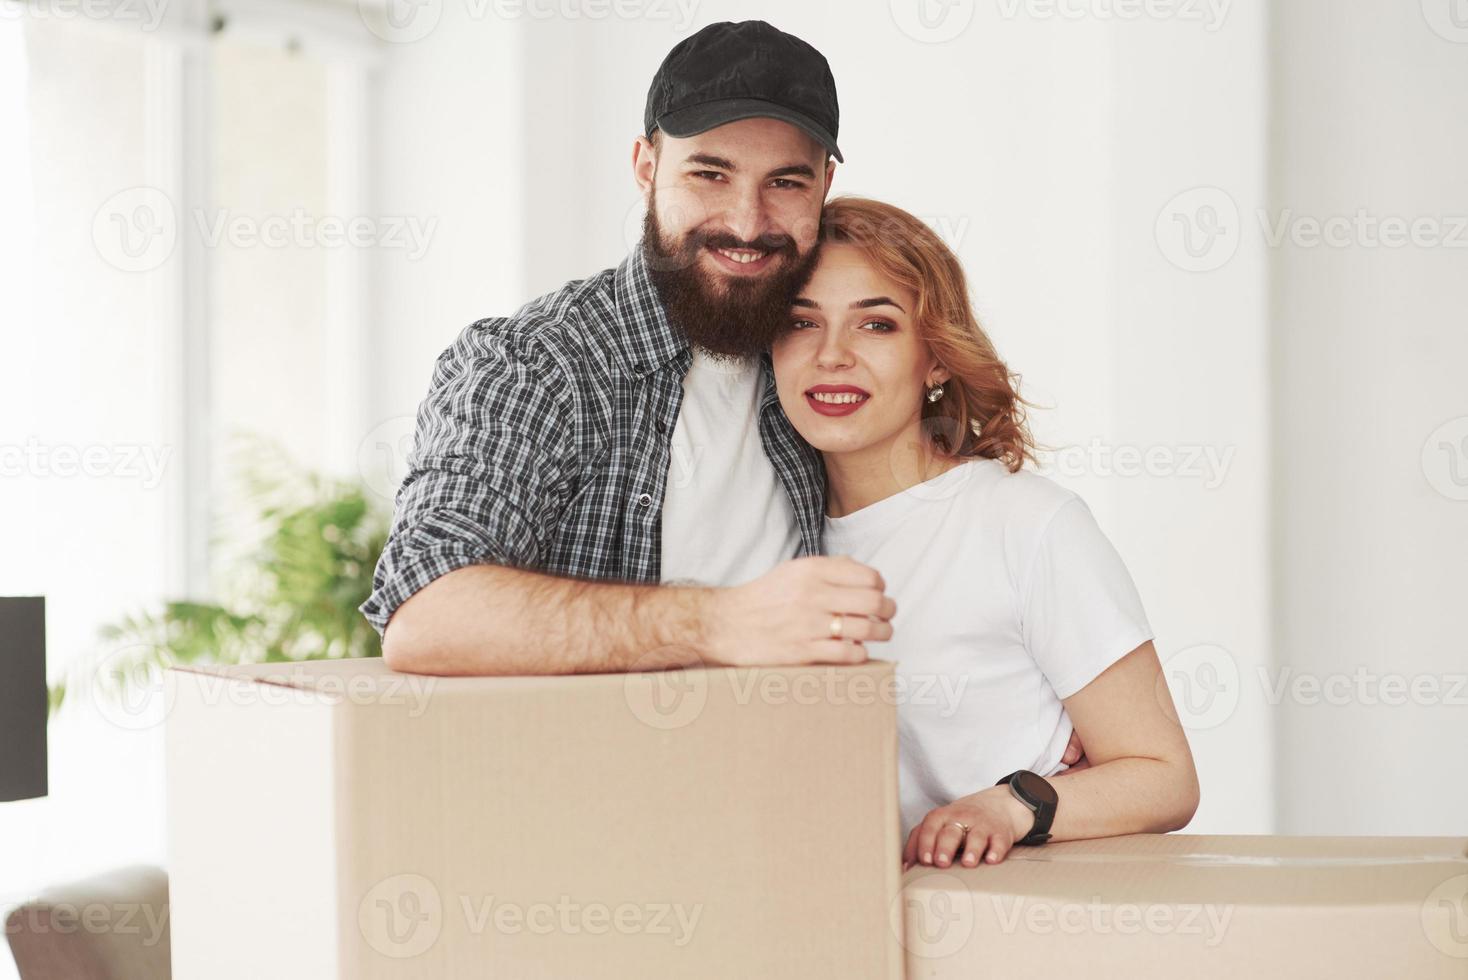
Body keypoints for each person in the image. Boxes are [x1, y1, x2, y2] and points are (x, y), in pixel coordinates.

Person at [768, 197, 1199, 868]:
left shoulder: (1023, 523)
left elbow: (1164, 774)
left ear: (935, 359)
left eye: (876, 325)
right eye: (801, 322)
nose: (832, 356)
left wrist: (1013, 804)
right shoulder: (764, 543)